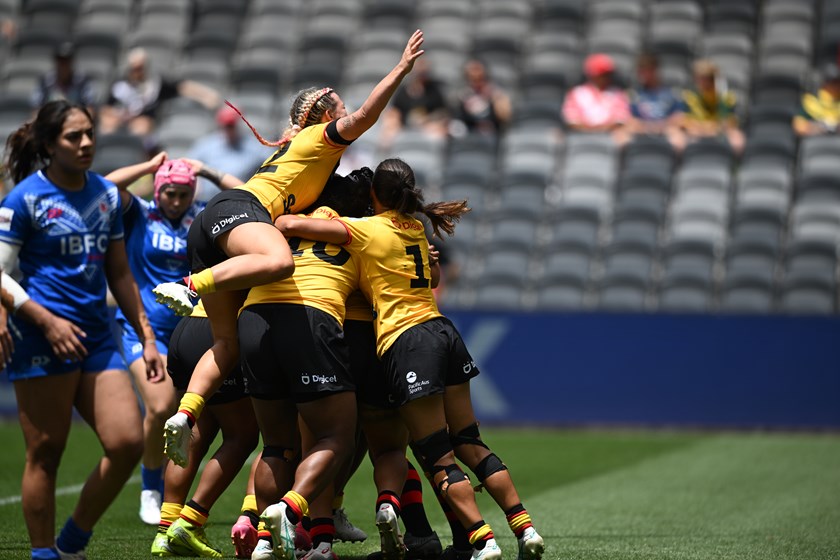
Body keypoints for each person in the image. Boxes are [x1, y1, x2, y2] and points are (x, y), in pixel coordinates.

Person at [152, 30, 426, 470]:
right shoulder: (319, 139)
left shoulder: (297, 151)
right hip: (242, 211)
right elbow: (366, 117)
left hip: (217, 218)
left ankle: (185, 414)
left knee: (226, 345)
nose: (345, 109)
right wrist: (400, 70)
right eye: (338, 103)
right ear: (322, 114)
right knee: (277, 260)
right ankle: (190, 285)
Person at [274, 158, 545, 560]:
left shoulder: (366, 229)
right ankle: (524, 530)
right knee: (468, 440)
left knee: (435, 453)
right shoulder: (416, 227)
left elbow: (287, 226)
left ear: (373, 195)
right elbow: (433, 279)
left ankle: (482, 540)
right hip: (444, 330)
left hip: (406, 341)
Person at [0, 100, 165, 560]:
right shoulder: (24, 199)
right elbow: (1, 272)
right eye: (75, 137)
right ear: (50, 145)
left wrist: (147, 337)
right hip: (41, 337)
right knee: (46, 454)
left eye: (90, 133)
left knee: (129, 441)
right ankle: (44, 553)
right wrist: (46, 321)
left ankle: (73, 540)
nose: (87, 143)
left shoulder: (106, 196)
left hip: (94, 337)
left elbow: (121, 274)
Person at [104, 155, 243, 525]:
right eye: (169, 193)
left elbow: (248, 197)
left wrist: (210, 171)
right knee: (163, 403)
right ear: (158, 190)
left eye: (183, 194)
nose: (176, 201)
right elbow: (106, 186)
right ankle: (150, 488)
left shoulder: (201, 215)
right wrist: (148, 166)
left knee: (193, 416)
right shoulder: (140, 213)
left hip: (192, 327)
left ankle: (172, 499)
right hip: (142, 327)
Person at [150, 300, 261, 559]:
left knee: (196, 433)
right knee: (242, 437)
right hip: (220, 334)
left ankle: (165, 531)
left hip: (187, 328)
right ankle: (191, 521)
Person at [98, 47, 221, 137]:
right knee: (107, 124)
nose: (137, 72)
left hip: (143, 120)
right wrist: (118, 115)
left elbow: (183, 87)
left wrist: (207, 96)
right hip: (120, 118)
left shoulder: (155, 83)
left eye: (140, 68)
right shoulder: (120, 84)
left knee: (141, 127)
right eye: (134, 69)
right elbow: (106, 107)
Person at [187, 105, 275, 202]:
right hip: (206, 201)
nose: (228, 130)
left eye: (231, 126)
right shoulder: (206, 145)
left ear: (238, 125)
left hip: (238, 201)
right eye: (226, 126)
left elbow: (274, 163)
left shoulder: (254, 147)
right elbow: (190, 166)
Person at [378, 58, 450, 150]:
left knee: (440, 130)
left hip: (428, 125)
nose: (421, 75)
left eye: (424, 73)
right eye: (419, 72)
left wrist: (427, 119)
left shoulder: (434, 91)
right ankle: (386, 157)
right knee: (389, 125)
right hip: (404, 123)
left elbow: (443, 112)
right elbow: (394, 110)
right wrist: (393, 120)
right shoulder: (403, 91)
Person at [679, 59, 745, 155]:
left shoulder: (726, 98)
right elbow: (684, 121)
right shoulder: (689, 97)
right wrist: (703, 128)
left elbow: (730, 122)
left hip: (719, 131)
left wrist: (715, 128)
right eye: (700, 78)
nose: (704, 82)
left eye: (707, 78)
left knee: (737, 139)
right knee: (680, 139)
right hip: (697, 131)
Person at [562, 53, 631, 144]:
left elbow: (620, 120)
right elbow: (572, 120)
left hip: (610, 136)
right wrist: (591, 130)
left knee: (624, 138)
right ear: (593, 75)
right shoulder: (577, 93)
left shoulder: (618, 93)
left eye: (608, 74)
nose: (606, 78)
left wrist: (600, 129)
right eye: (602, 74)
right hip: (580, 136)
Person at [626, 53, 686, 152]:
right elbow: (630, 119)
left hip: (666, 129)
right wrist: (648, 127)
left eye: (646, 70)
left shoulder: (671, 93)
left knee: (678, 138)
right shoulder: (635, 94)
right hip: (641, 130)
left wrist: (661, 126)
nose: (643, 75)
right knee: (623, 136)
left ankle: (678, 166)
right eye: (641, 71)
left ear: (655, 70)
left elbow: (679, 117)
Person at [30, 41, 97, 112]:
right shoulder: (45, 81)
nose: (63, 65)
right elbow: (36, 109)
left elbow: (90, 109)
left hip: (75, 119)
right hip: (50, 120)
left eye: (66, 61)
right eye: (60, 60)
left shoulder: (82, 81)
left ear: (72, 61)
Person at [452, 59, 511, 137]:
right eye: (472, 79)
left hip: (493, 133)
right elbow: (457, 120)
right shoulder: (462, 94)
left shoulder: (496, 93)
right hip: (469, 133)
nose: (476, 82)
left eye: (479, 78)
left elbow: (505, 116)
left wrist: (496, 99)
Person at [793, 63, 840, 136]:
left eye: (836, 83)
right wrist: (816, 127)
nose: (834, 87)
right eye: (830, 83)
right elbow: (798, 126)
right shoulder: (811, 101)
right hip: (815, 140)